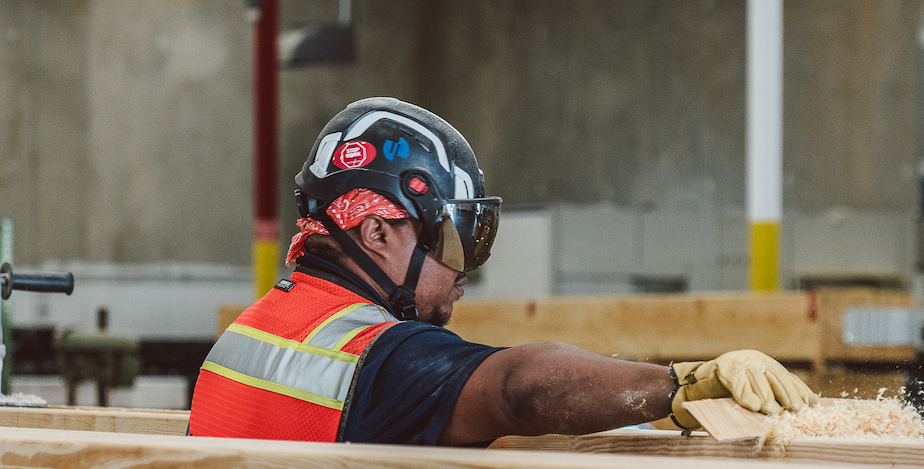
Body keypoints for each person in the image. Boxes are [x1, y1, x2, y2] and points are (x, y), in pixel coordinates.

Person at [187, 97, 816, 446]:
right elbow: (518, 386)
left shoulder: (242, 341)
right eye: (451, 242)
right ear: (376, 231)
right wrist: (679, 385)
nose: (465, 275)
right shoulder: (377, 360)